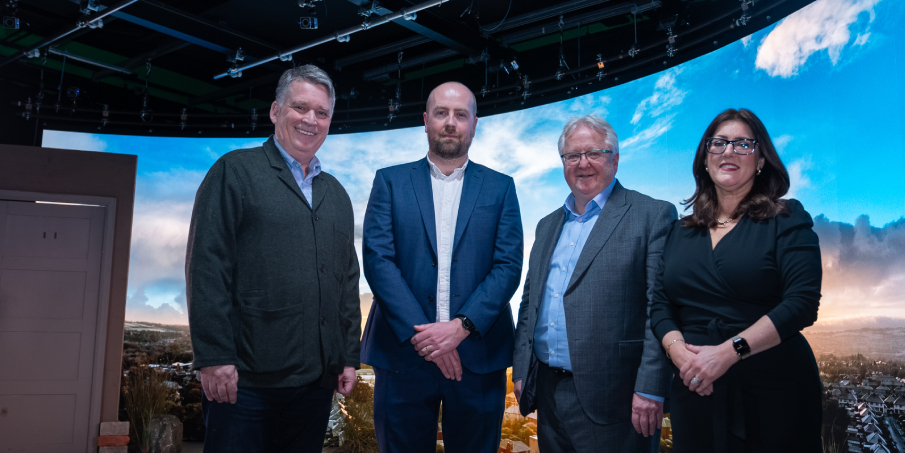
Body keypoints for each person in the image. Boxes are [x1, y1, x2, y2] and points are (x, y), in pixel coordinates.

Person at [185, 64, 361, 453]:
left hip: (315, 384)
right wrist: (213, 357)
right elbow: (206, 265)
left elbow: (347, 282)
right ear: (275, 110)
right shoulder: (235, 171)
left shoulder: (337, 195)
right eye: (301, 107)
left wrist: (348, 357)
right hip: (245, 383)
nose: (311, 120)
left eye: (322, 112)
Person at [360, 81, 523, 453]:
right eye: (441, 113)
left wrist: (460, 328)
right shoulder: (389, 181)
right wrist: (428, 338)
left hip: (479, 359)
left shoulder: (501, 188)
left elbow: (508, 266)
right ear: (426, 120)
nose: (451, 122)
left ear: (474, 125)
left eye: (460, 115)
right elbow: (378, 260)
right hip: (403, 356)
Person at [649, 108, 823, 452]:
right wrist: (679, 354)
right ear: (704, 160)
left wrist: (728, 353)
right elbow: (660, 303)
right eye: (718, 143)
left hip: (774, 391)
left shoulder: (786, 217)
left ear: (761, 160)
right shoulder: (678, 231)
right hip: (696, 386)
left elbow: (801, 304)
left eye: (743, 144)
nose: (729, 151)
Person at [512, 115, 677, 452]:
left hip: (618, 399)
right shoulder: (546, 226)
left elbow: (659, 309)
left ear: (614, 158)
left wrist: (650, 387)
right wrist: (521, 369)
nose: (582, 163)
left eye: (594, 153)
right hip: (547, 391)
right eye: (573, 155)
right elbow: (530, 302)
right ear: (563, 163)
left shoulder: (652, 215)